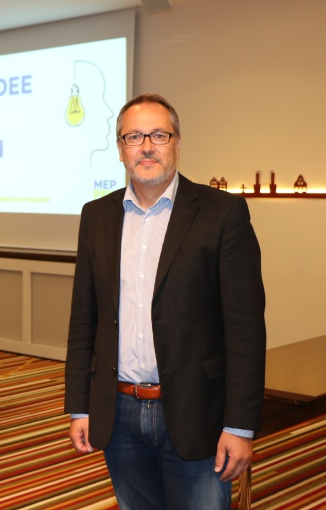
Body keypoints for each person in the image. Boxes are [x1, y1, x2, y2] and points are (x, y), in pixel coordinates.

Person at [64, 93, 266, 509]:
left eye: (159, 134)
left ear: (177, 143)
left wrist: (240, 426)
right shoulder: (96, 216)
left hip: (197, 413)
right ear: (120, 149)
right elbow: (84, 319)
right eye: (134, 136)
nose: (147, 146)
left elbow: (245, 328)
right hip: (118, 412)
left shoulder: (223, 213)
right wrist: (79, 406)